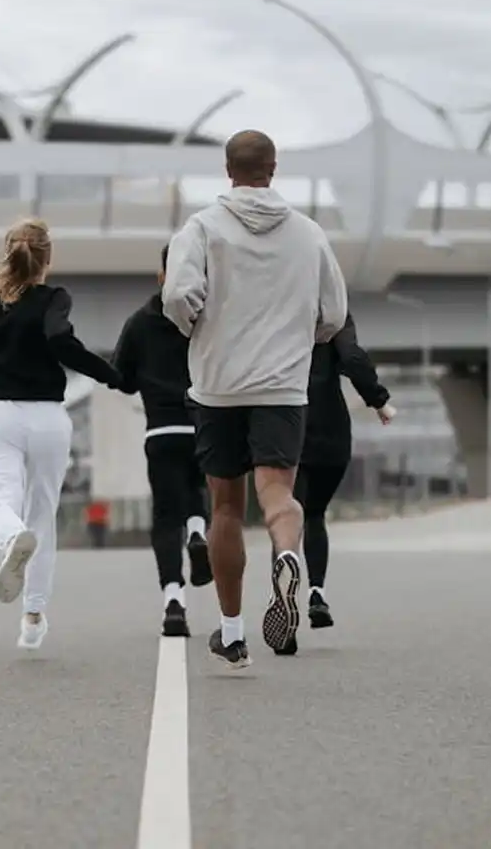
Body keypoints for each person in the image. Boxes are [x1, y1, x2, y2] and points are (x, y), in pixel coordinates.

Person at [163, 129, 347, 668]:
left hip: (218, 383)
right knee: (277, 491)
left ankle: (232, 632)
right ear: (273, 168)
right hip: (283, 386)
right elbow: (333, 314)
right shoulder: (309, 234)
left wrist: (196, 328)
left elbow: (176, 296)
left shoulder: (200, 228)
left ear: (228, 170)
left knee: (224, 504)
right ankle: (288, 555)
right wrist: (299, 342)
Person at [0, 217, 123, 650]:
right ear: (47, 259)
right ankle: (33, 617)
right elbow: (60, 341)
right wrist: (110, 376)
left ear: (8, 252)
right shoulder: (55, 298)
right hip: (48, 419)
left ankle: (10, 539)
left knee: (4, 500)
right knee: (43, 516)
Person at [274, 311, 393, 655]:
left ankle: (284, 607)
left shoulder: (278, 307)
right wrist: (379, 401)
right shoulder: (336, 313)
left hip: (286, 427)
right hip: (332, 434)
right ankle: (316, 591)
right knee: (314, 515)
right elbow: (354, 358)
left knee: (285, 516)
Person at [112, 244, 213, 639]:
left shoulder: (140, 322)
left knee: (164, 517)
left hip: (161, 431)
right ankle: (198, 530)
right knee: (198, 488)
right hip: (202, 424)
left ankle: (174, 602)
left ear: (161, 276)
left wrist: (143, 380)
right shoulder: (208, 319)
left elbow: (121, 378)